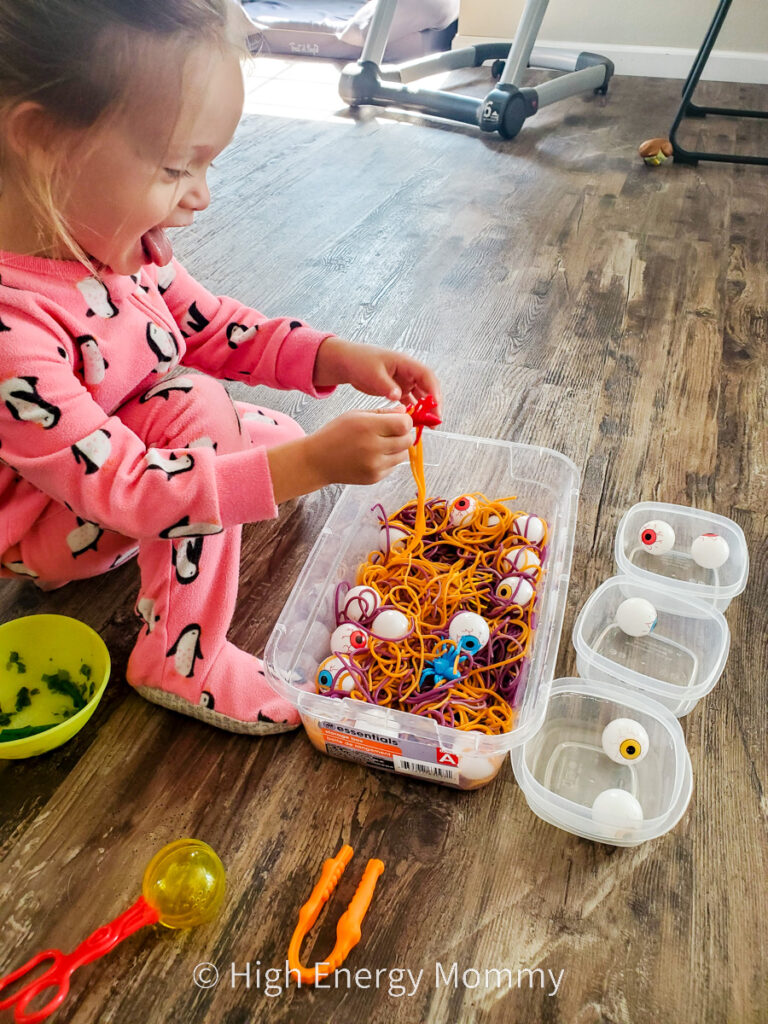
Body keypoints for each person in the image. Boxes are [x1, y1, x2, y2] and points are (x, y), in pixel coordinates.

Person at [0, 0, 441, 736]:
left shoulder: (112, 240)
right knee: (203, 412)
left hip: (123, 453)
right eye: (177, 167)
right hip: (59, 526)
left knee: (243, 428)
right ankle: (181, 656)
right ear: (44, 139)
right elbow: (129, 491)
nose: (202, 195)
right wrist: (310, 465)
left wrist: (333, 355)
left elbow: (216, 325)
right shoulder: (11, 327)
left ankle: (221, 470)